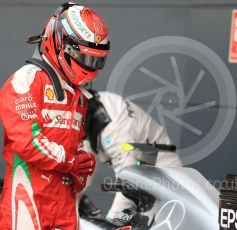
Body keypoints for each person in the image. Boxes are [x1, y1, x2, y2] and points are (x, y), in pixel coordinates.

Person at [0, 2, 110, 229]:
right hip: (28, 198)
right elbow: (27, 142)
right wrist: (72, 162)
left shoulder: (77, 93)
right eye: (87, 59)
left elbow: (75, 144)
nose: (93, 68)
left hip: (65, 202)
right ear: (62, 44)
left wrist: (84, 162)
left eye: (98, 61)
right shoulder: (27, 80)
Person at [83, 91, 182, 225]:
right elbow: (84, 166)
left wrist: (112, 222)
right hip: (144, 167)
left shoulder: (115, 130)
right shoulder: (95, 103)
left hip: (161, 171)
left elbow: (129, 182)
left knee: (168, 221)